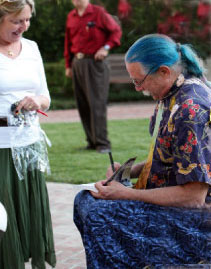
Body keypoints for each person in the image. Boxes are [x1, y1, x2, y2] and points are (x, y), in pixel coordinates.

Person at [74, 34, 211, 268]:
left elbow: (194, 197)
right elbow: (176, 158)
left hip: (198, 217)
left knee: (100, 215)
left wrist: (126, 193)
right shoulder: (172, 92)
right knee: (86, 200)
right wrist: (130, 171)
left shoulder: (191, 109)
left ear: (164, 71)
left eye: (140, 81)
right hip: (177, 200)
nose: (138, 89)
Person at [0, 0, 56, 268]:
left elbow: (46, 97)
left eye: (27, 20)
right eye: (17, 21)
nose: (24, 26)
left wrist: (36, 101)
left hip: (30, 143)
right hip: (1, 145)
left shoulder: (31, 48)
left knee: (30, 212)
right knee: (4, 215)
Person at [64, 0, 122, 153]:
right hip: (78, 62)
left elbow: (116, 32)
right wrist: (68, 65)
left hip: (95, 63)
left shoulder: (99, 13)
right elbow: (68, 42)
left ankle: (103, 144)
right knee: (82, 103)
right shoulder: (71, 16)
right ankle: (91, 141)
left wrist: (106, 47)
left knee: (97, 103)